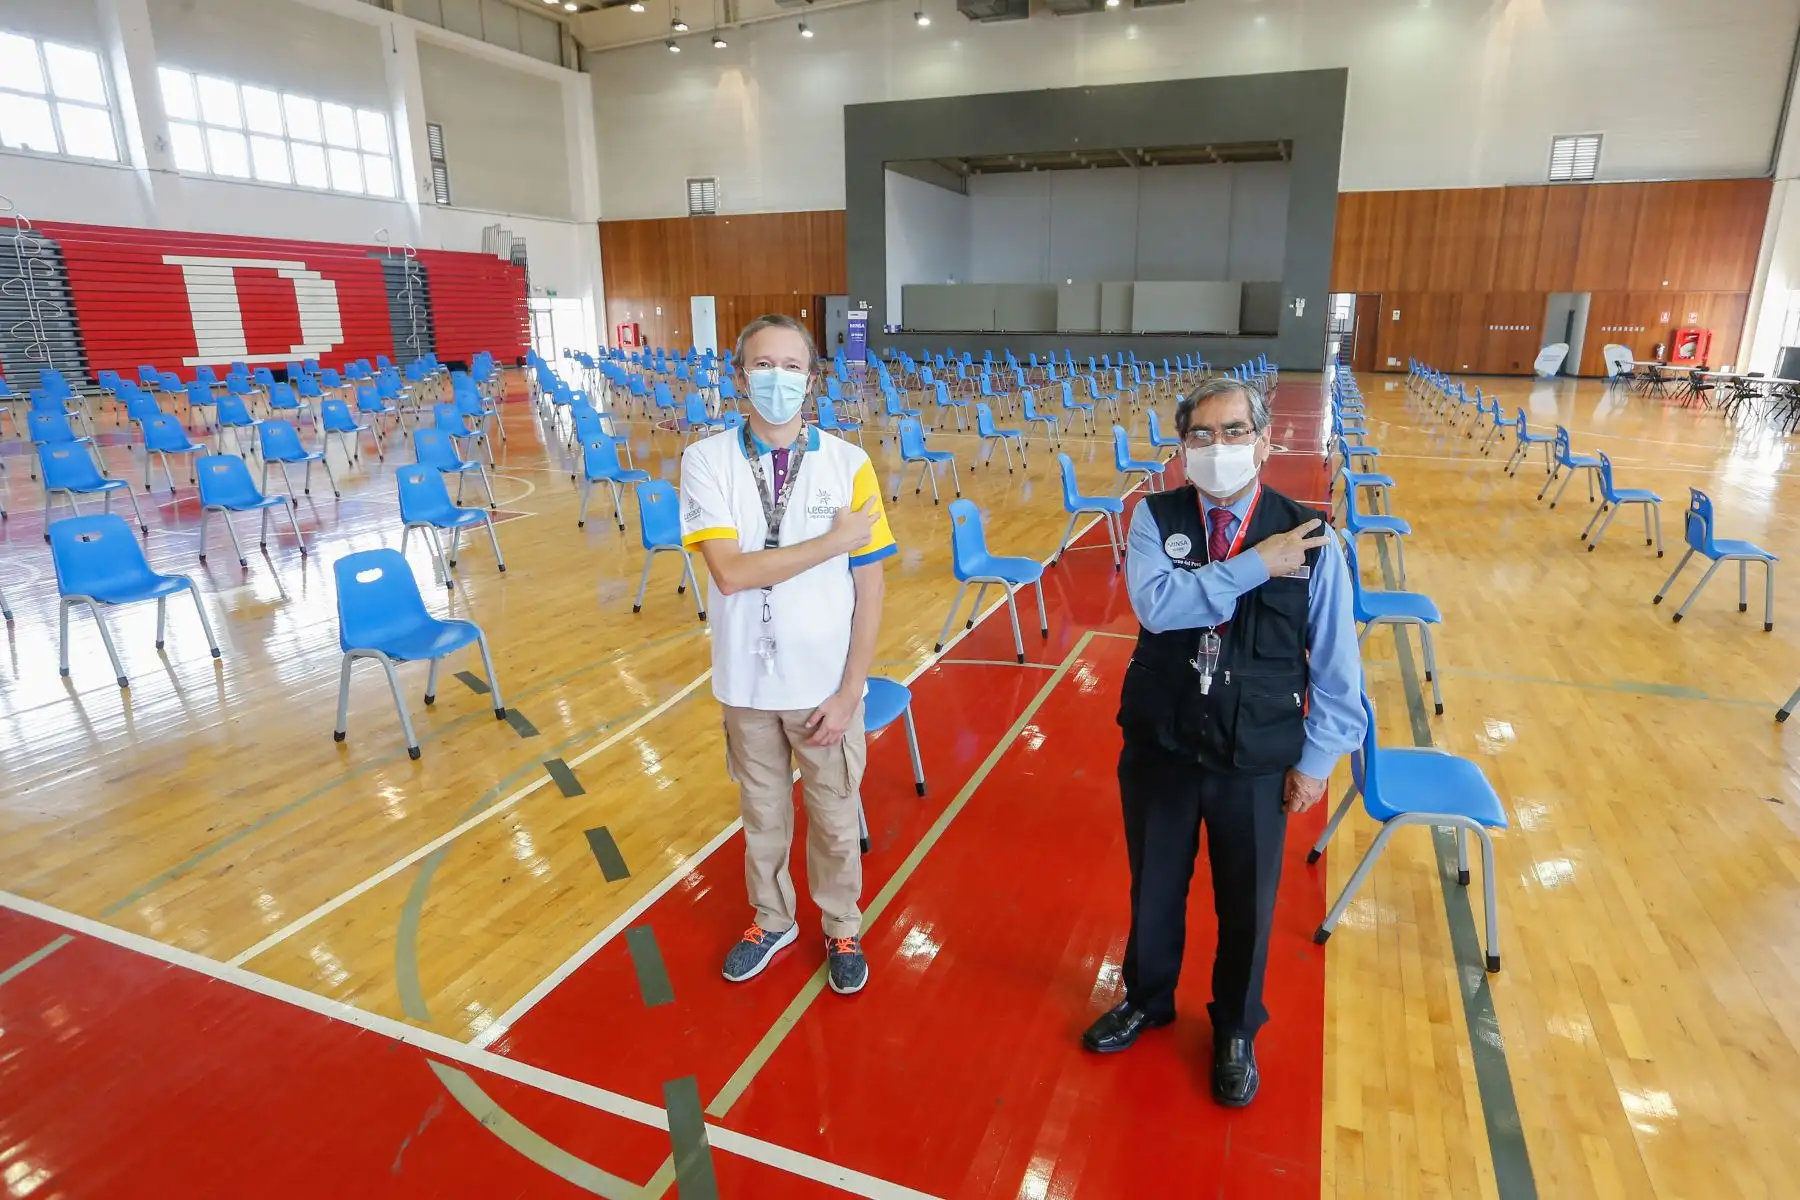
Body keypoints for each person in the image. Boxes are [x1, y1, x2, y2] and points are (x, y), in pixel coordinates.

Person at [1083, 374, 1366, 1107]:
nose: (1218, 447)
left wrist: (1316, 760)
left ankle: (1236, 1028)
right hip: (1163, 742)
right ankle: (1147, 997)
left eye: (1234, 431)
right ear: (1182, 448)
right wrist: (1252, 566)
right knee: (1155, 885)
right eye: (1201, 435)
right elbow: (1156, 604)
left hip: (1257, 755)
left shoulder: (1311, 537)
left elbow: (1336, 666)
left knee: (1248, 901)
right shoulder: (1156, 517)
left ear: (1265, 443)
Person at [678, 314, 897, 995]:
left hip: (822, 687)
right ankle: (771, 920)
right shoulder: (705, 460)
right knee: (763, 819)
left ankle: (841, 926)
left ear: (812, 378)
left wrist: (851, 689)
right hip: (745, 686)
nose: (778, 378)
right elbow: (732, 574)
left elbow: (872, 583)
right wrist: (835, 540)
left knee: (834, 820)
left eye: (792, 366)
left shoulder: (848, 463)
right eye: (763, 365)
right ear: (739, 376)